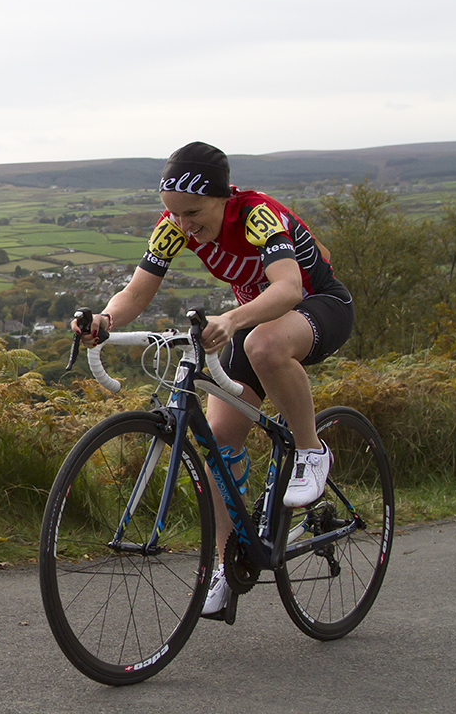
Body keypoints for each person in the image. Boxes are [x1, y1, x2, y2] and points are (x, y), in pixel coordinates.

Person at [72, 141, 354, 617]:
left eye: (193, 212)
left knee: (263, 344)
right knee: (218, 444)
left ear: (222, 197)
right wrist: (105, 320)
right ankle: (228, 565)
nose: (184, 226)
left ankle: (310, 450)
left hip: (318, 304)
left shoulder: (258, 216)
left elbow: (288, 287)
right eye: (174, 214)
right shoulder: (173, 226)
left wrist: (233, 318)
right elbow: (137, 291)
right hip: (255, 318)